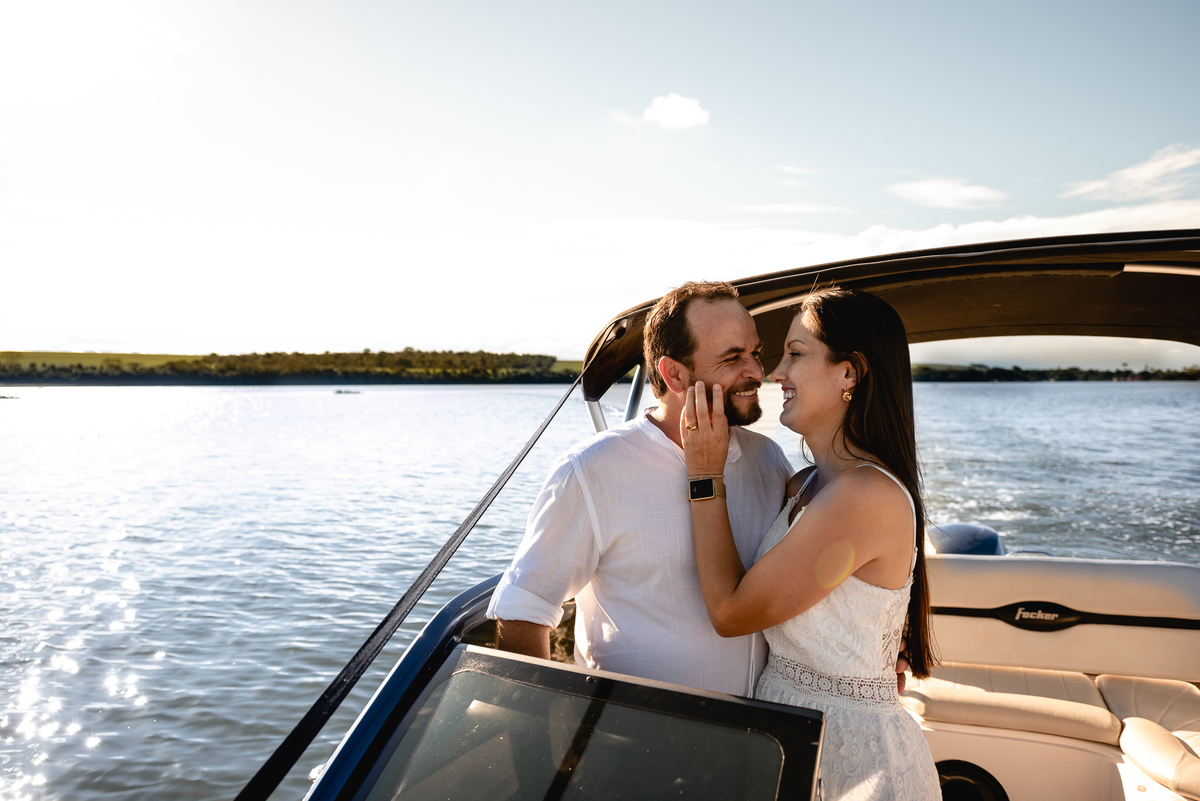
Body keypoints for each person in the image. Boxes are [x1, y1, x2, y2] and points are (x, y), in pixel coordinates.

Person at [681, 287, 939, 800]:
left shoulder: (865, 496)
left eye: (796, 354)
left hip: (851, 759)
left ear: (849, 373)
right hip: (788, 736)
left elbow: (732, 612)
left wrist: (705, 475)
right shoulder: (802, 484)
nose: (776, 373)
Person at [486, 281, 794, 694]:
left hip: (765, 742)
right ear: (674, 374)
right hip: (632, 739)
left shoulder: (769, 458)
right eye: (733, 357)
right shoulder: (591, 469)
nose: (757, 371)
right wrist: (543, 728)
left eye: (754, 353)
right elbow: (524, 611)